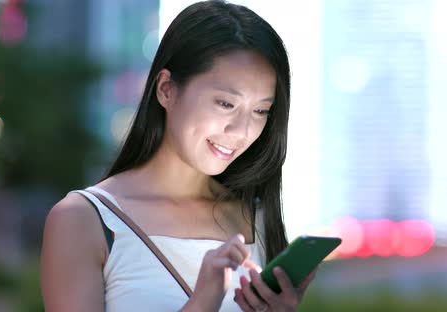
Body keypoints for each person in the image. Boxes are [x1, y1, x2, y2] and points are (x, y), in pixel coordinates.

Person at [40, 0, 316, 311]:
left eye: (260, 110)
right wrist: (200, 304)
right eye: (225, 104)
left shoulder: (257, 220)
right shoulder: (84, 219)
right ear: (167, 89)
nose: (241, 130)